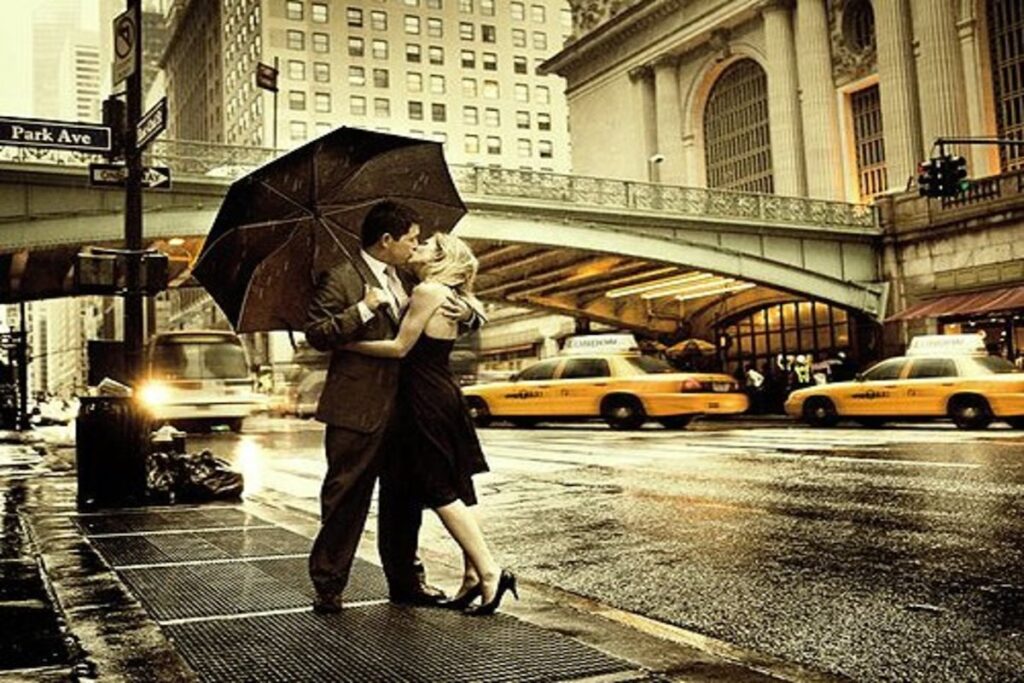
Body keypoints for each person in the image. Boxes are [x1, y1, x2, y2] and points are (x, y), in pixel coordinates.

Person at [303, 201, 480, 614]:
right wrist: (363, 308)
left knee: (404, 501)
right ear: (387, 241)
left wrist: (468, 312)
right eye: (411, 239)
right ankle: (329, 585)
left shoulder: (410, 276)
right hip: (358, 408)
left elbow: (452, 298)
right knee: (345, 496)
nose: (415, 245)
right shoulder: (341, 277)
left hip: (408, 410)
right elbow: (317, 333)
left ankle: (405, 582)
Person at [344, 232, 516, 616]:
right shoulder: (447, 293)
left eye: (424, 245)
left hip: (423, 399)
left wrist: (346, 346)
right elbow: (471, 312)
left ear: (440, 258)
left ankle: (489, 572)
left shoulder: (427, 291)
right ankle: (474, 575)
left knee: (438, 488)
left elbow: (399, 348)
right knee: (449, 482)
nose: (416, 247)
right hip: (440, 394)